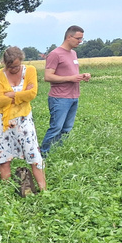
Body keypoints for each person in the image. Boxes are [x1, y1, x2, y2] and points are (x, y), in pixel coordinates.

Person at [0, 47, 46, 191]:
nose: (14, 69)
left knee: (33, 154)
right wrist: (21, 95)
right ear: (4, 63)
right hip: (3, 121)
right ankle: (7, 191)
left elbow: (32, 94)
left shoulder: (30, 70)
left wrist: (10, 95)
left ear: (21, 61)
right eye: (10, 67)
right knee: (4, 157)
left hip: (24, 119)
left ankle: (44, 190)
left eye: (16, 66)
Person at [40, 25, 91, 155]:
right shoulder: (55, 54)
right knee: (56, 127)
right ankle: (43, 154)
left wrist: (83, 76)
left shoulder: (73, 53)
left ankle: (57, 152)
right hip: (59, 97)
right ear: (69, 37)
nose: (80, 41)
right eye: (78, 38)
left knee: (67, 128)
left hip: (73, 96)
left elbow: (71, 73)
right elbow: (48, 77)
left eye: (81, 39)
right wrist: (71, 78)